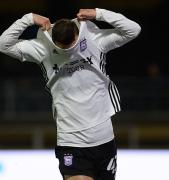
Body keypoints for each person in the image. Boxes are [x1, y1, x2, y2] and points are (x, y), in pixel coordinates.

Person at [0, 8, 141, 180]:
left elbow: (133, 29)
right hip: (71, 140)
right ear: (54, 40)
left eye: (70, 44)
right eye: (62, 47)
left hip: (103, 137)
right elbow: (3, 44)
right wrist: (29, 17)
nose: (67, 50)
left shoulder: (94, 40)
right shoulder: (43, 49)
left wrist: (98, 13)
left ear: (77, 34)